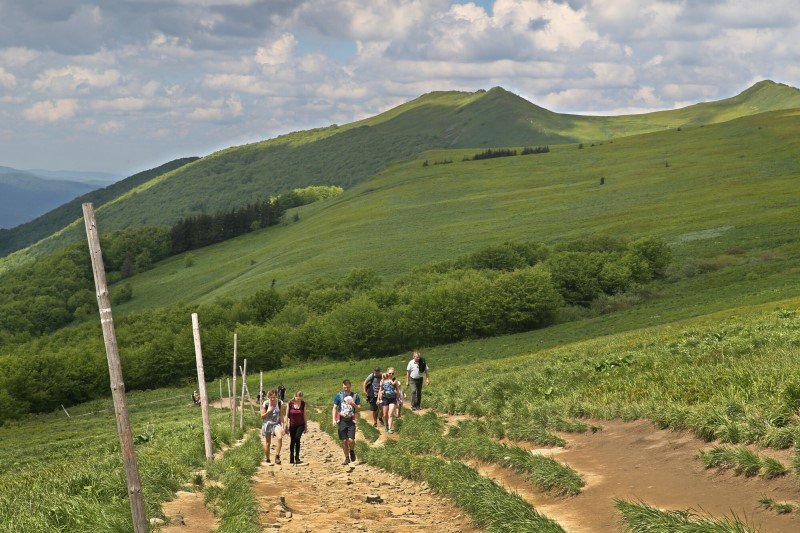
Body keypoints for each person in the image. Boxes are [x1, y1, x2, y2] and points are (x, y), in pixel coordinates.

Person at [332, 379, 361, 465]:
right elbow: (334, 408)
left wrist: (353, 404)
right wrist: (333, 419)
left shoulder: (355, 396)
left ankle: (351, 450)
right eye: (344, 387)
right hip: (341, 421)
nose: (346, 389)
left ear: (350, 386)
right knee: (344, 441)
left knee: (351, 440)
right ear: (342, 386)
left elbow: (359, 409)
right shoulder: (338, 396)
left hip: (351, 420)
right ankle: (347, 458)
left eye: (347, 387)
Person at [261, 389, 285, 464]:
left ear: (276, 396)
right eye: (271, 397)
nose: (272, 399)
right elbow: (262, 416)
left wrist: (284, 425)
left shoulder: (279, 402)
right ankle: (267, 458)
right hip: (267, 423)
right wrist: (269, 411)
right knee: (268, 443)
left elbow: (281, 414)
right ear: (268, 397)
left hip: (276, 423)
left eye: (274, 397)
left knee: (280, 437)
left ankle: (277, 456)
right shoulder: (266, 403)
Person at [284, 391, 307, 465]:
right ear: (294, 396)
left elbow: (305, 415)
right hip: (292, 425)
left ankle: (297, 457)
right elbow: (286, 415)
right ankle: (291, 457)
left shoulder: (303, 404)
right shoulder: (290, 403)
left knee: (297, 438)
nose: (299, 399)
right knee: (292, 440)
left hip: (300, 424)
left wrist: (306, 426)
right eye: (297, 397)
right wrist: (286, 425)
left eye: (300, 397)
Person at [377, 369, 400, 433]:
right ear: (387, 373)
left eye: (392, 373)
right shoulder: (383, 380)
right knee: (384, 415)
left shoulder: (395, 380)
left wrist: (398, 398)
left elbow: (398, 389)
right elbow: (380, 390)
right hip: (385, 399)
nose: (391, 375)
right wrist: (379, 399)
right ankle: (386, 426)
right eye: (390, 373)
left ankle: (389, 428)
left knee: (390, 414)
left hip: (393, 399)